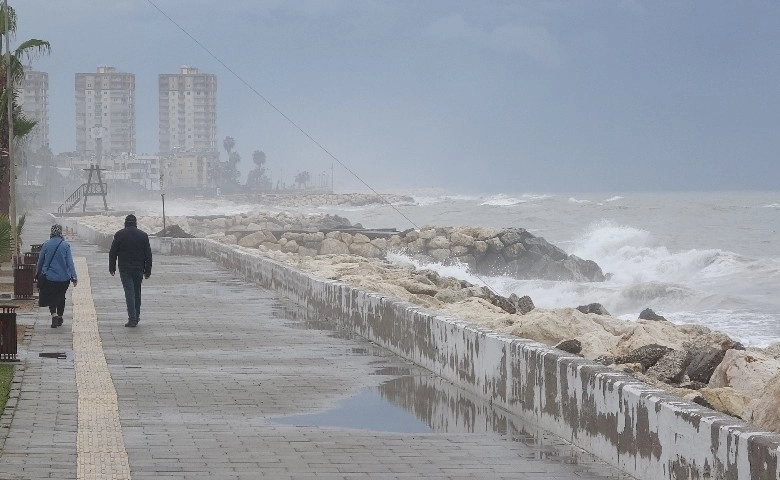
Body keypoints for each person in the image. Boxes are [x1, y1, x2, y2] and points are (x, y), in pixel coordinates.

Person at [109, 214, 152, 327]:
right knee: (137, 292)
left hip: (125, 268)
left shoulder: (119, 235)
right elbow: (148, 254)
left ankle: (132, 318)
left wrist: (111, 267)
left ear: (125, 223)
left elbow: (113, 252)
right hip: (139, 268)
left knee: (129, 291)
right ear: (135, 223)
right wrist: (148, 270)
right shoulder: (143, 235)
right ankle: (136, 316)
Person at [36, 224, 78, 328]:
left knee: (51, 296)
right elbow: (70, 263)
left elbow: (40, 261)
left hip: (49, 277)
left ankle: (54, 315)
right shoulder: (65, 245)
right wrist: (74, 277)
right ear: (60, 233)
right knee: (61, 296)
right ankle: (60, 316)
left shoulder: (46, 244)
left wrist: (38, 273)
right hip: (64, 278)